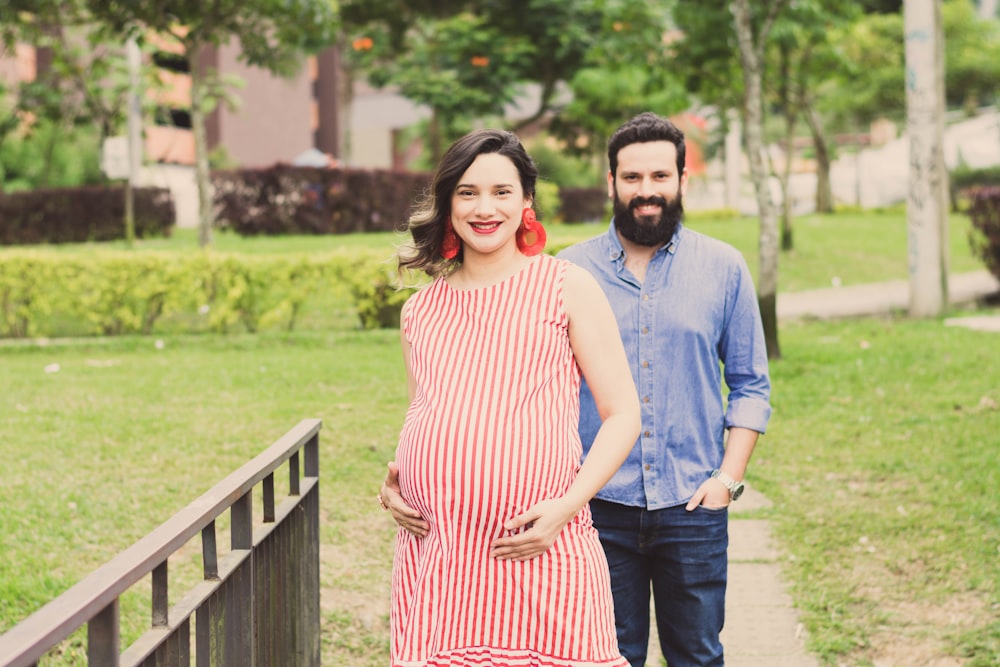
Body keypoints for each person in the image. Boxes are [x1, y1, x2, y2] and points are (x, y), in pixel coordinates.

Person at [377, 128, 641, 667]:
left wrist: (566, 508)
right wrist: (397, 479)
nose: (484, 208)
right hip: (444, 559)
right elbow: (426, 412)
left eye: (501, 191)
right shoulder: (420, 311)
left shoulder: (565, 286)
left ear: (527, 203)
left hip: (540, 546)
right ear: (448, 204)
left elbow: (623, 415)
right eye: (468, 192)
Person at [556, 112, 772, 666]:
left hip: (693, 505)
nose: (646, 191)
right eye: (632, 178)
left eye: (659, 176)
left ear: (681, 180)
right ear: (611, 183)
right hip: (597, 505)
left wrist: (728, 479)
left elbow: (750, 385)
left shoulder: (724, 268)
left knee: (697, 655)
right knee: (606, 655)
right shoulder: (566, 273)